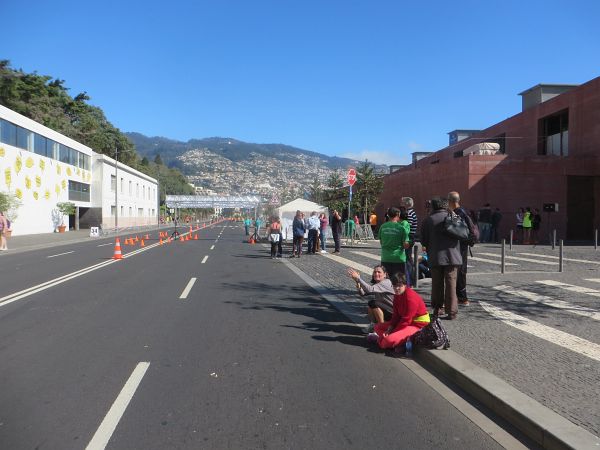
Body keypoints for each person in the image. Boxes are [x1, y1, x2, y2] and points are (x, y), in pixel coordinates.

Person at [421, 196, 462, 319]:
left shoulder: (428, 220)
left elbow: (424, 241)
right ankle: (452, 311)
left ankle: (438, 308)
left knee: (437, 284)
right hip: (453, 256)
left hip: (436, 256)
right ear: (445, 205)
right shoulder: (454, 217)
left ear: (433, 206)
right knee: (451, 283)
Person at [367, 273, 430, 350]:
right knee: (377, 327)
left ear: (405, 285)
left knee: (386, 341)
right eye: (394, 286)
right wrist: (390, 328)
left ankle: (384, 340)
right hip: (405, 322)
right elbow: (396, 315)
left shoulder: (411, 298)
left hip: (417, 325)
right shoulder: (397, 295)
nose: (396, 288)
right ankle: (395, 340)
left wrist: (391, 332)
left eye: (399, 286)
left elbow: (406, 320)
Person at [347, 265, 394, 333]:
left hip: (393, 312)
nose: (376, 274)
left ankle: (381, 328)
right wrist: (357, 281)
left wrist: (359, 278)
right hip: (386, 309)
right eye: (374, 272)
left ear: (385, 274)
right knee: (371, 305)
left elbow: (369, 290)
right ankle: (374, 326)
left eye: (379, 272)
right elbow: (363, 294)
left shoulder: (386, 282)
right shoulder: (378, 284)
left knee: (374, 304)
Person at [448, 191, 475, 306]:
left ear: (450, 201)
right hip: (463, 245)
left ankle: (462, 298)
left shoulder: (457, 213)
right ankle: (461, 297)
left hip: (459, 246)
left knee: (459, 271)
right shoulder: (464, 211)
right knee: (460, 271)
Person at [378, 207, 409, 279]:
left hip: (385, 258)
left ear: (388, 215)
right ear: (398, 214)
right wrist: (409, 243)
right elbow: (405, 245)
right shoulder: (401, 228)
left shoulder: (382, 227)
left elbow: (381, 242)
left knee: (386, 281)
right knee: (398, 281)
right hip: (398, 258)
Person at [403, 197, 418, 285]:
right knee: (408, 258)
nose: (402, 203)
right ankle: (410, 278)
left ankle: (410, 279)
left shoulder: (409, 213)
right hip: (411, 237)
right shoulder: (412, 212)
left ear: (407, 203)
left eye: (404, 202)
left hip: (409, 237)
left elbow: (408, 226)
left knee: (408, 259)